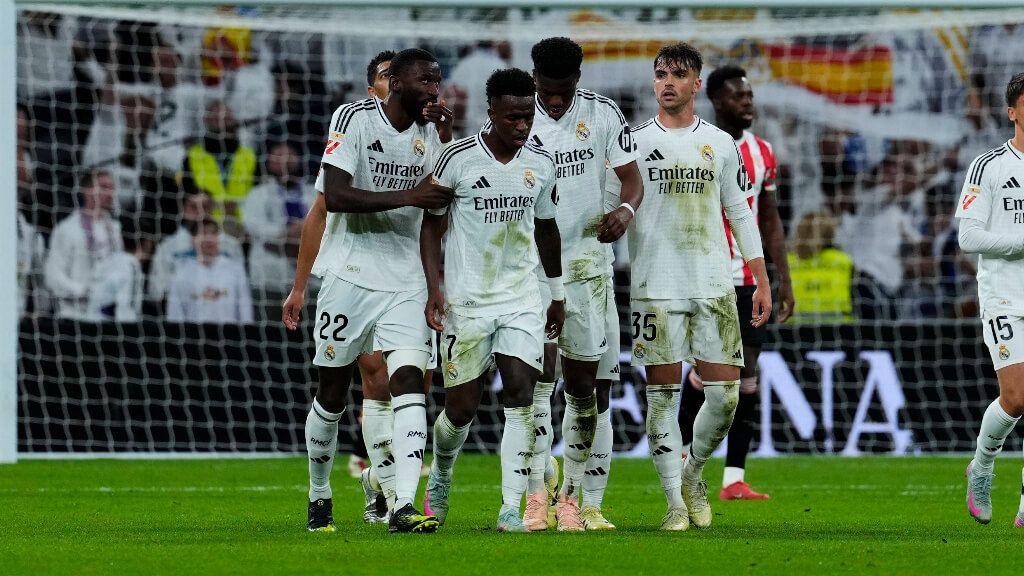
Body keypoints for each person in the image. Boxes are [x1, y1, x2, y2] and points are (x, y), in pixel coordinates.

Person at [282, 48, 454, 534]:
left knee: (409, 382)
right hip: (350, 275)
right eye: (425, 80)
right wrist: (300, 285)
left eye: (438, 81)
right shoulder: (353, 117)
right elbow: (333, 197)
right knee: (332, 393)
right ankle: (319, 494)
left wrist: (447, 136)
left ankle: (401, 502)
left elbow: (442, 204)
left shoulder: (431, 136)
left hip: (406, 279)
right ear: (394, 83)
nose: (435, 89)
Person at [626, 43, 772, 531]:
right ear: (653, 83)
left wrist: (763, 278)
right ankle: (672, 502)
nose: (668, 82)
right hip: (655, 284)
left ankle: (694, 473)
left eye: (678, 74)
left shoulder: (721, 144)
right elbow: (613, 210)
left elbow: (740, 213)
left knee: (726, 395)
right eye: (661, 74)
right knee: (663, 398)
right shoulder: (633, 143)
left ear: (695, 84)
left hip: (714, 283)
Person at [421, 67, 564, 533]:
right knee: (460, 409)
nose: (522, 127)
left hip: (522, 297)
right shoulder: (457, 159)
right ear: (492, 113)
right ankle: (441, 471)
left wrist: (556, 293)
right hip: (468, 302)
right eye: (513, 118)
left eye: (528, 117)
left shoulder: (541, 163)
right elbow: (431, 225)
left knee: (523, 393)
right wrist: (435, 287)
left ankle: (509, 508)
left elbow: (546, 229)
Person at [510, 37, 643, 532]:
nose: (556, 101)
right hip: (534, 275)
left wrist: (625, 211)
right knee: (536, 388)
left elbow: (632, 179)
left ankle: (580, 500)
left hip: (590, 269)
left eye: (565, 91)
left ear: (578, 81)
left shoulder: (605, 115)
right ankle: (536, 498)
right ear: (535, 80)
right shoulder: (514, 116)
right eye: (548, 91)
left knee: (589, 391)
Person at [678, 65, 795, 502]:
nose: (748, 102)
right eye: (738, 96)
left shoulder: (763, 152)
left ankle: (733, 479)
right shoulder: (699, 145)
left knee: (747, 375)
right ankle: (684, 456)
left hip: (748, 280)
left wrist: (781, 279)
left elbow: (770, 221)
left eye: (750, 95)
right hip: (704, 276)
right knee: (706, 376)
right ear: (716, 101)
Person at [959, 72, 1024, 528]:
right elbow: (968, 236)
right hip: (1004, 295)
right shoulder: (990, 166)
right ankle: (981, 466)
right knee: (1017, 397)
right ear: (1013, 111)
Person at [44, 169, 123, 320]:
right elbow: (53, 276)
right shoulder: (67, 229)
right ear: (87, 191)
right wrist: (82, 291)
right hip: (74, 315)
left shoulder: (115, 230)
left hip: (107, 318)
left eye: (112, 188)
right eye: (104, 187)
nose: (110, 193)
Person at [148, 189, 244, 305]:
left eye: (205, 207)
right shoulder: (168, 247)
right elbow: (156, 290)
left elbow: (241, 288)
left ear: (213, 209)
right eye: (194, 207)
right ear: (183, 210)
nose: (200, 213)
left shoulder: (230, 245)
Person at [166, 218, 253, 323]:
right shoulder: (181, 272)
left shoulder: (235, 269)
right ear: (193, 240)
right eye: (203, 234)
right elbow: (174, 314)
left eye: (213, 233)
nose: (209, 239)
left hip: (230, 336)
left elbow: (246, 311)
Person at [787, 211, 855, 323]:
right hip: (839, 329)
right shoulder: (843, 260)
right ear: (830, 233)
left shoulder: (786, 262)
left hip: (792, 331)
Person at [86, 223, 150, 322]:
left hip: (90, 323)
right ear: (147, 243)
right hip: (109, 330)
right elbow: (126, 310)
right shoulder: (131, 265)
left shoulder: (111, 260)